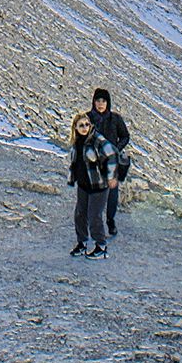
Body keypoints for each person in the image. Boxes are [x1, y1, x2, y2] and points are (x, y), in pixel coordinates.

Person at [68, 108, 118, 257]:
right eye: (81, 125)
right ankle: (82, 243)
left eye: (87, 124)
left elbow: (112, 155)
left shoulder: (97, 139)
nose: (85, 128)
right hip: (83, 185)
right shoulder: (77, 142)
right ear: (75, 128)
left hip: (98, 185)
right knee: (80, 214)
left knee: (94, 216)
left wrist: (111, 176)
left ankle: (101, 247)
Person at [88, 87, 131, 235]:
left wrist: (115, 149)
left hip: (111, 162)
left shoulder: (115, 119)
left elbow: (125, 136)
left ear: (108, 103)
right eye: (98, 100)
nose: (101, 104)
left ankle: (110, 221)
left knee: (112, 194)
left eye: (103, 101)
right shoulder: (87, 118)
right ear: (94, 102)